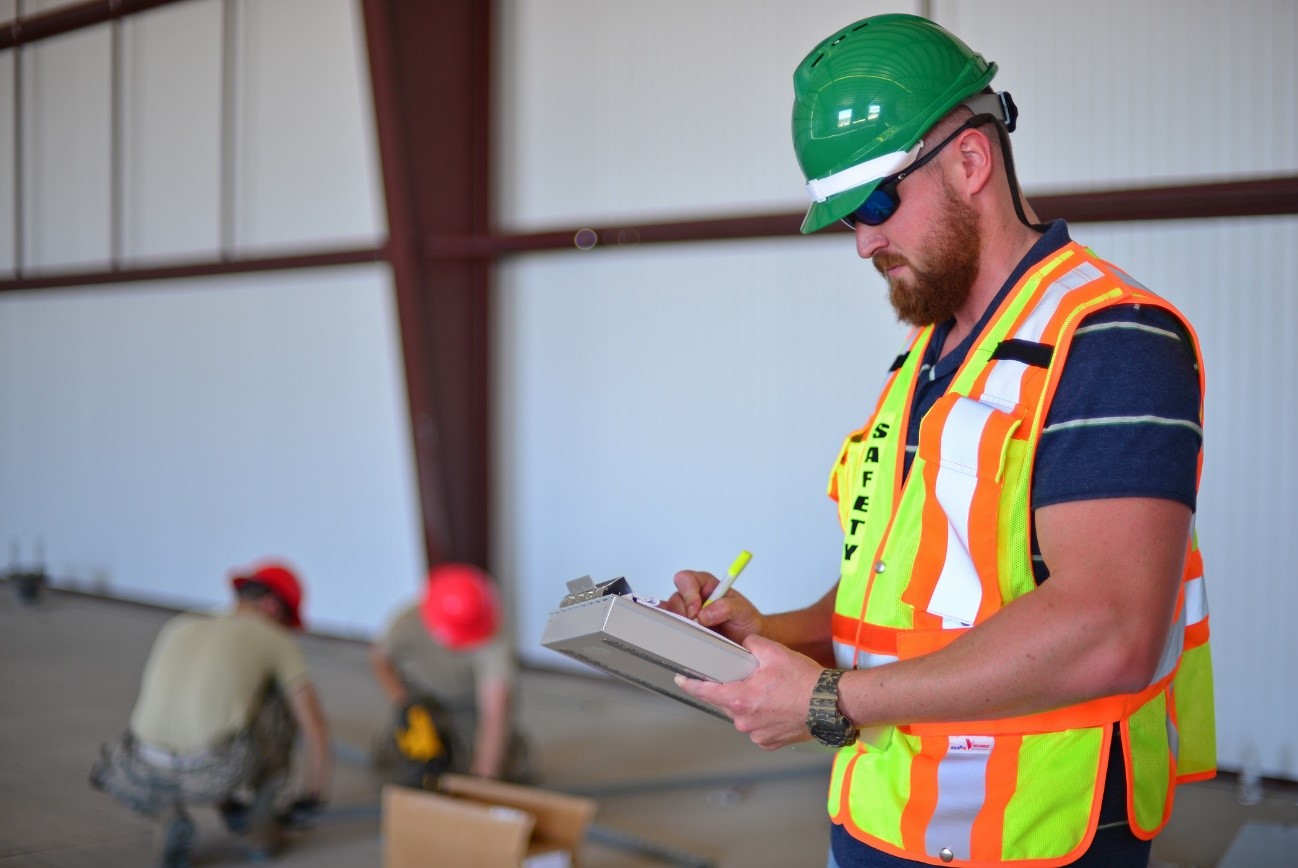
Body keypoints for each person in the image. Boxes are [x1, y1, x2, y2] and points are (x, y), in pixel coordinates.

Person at [666, 13, 1215, 868]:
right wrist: (769, 635)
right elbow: (899, 603)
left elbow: (1110, 628)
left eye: (875, 204)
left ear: (969, 161)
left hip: (1030, 838)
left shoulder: (1109, 340)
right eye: (846, 219)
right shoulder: (927, 358)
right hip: (884, 818)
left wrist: (831, 702)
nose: (865, 243)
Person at [90, 561, 332, 867]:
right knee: (280, 709)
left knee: (196, 707)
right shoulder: (274, 638)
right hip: (215, 771)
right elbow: (315, 728)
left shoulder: (181, 623)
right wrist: (313, 796)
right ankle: (260, 830)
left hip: (134, 773)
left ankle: (169, 817)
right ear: (272, 605)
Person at [370, 562, 534, 787]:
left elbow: (495, 713)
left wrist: (480, 783)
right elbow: (380, 659)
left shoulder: (491, 637)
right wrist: (404, 704)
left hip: (470, 707)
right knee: (399, 763)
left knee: (503, 765)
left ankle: (509, 751)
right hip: (424, 701)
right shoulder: (408, 621)